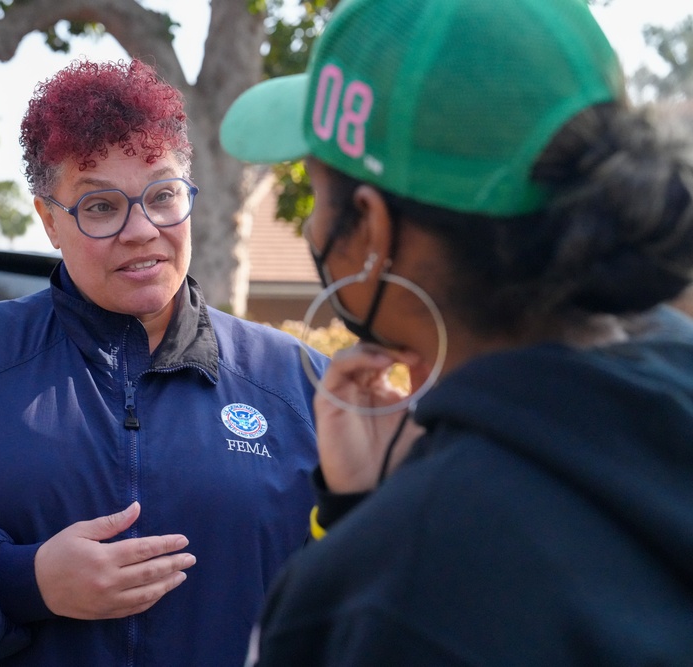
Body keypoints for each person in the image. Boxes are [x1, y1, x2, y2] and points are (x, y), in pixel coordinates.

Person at [220, 0, 693, 663]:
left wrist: (383, 534)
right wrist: (378, 504)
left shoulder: (378, 594)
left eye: (317, 191)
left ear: (372, 228)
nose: (307, 230)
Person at [0, 58, 328, 666]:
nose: (142, 230)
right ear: (48, 221)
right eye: (101, 207)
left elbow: (374, 575)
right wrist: (23, 581)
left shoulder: (293, 378)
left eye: (163, 196)